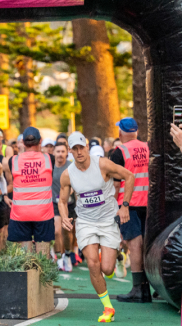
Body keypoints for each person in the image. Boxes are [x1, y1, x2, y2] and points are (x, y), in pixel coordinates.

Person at [58, 132, 135, 323]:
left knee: (107, 269)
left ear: (86, 147)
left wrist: (125, 205)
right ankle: (108, 307)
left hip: (108, 220)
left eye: (81, 147)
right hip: (85, 222)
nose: (78, 152)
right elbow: (61, 200)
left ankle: (118, 256)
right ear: (70, 151)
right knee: (93, 263)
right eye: (74, 149)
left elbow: (129, 176)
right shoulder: (67, 174)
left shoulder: (102, 164)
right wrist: (64, 216)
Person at [110, 118, 151, 302]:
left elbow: (116, 186)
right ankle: (148, 287)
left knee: (134, 246)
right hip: (149, 203)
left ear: (120, 132)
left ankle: (138, 290)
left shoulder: (119, 152)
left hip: (129, 205)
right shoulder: (148, 147)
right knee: (146, 245)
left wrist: (114, 207)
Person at [5, 127, 54, 256]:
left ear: (23, 142)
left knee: (26, 259)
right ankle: (41, 276)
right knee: (43, 258)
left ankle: (29, 275)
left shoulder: (13, 161)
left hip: (21, 213)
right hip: (43, 214)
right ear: (40, 141)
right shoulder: (49, 159)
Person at [52, 143, 75, 272]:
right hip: (54, 202)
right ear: (54, 153)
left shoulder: (71, 166)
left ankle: (67, 254)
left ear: (67, 153)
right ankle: (59, 258)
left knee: (67, 232)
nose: (60, 154)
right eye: (58, 151)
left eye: (62, 151)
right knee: (56, 231)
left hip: (68, 203)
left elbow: (75, 184)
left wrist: (67, 194)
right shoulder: (50, 166)